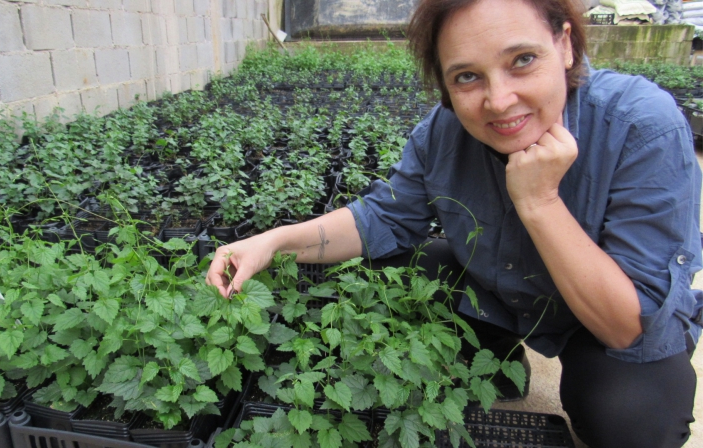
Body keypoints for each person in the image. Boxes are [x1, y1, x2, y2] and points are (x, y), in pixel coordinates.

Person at [207, 0, 702, 446]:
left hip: (598, 321)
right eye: (467, 76)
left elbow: (627, 327)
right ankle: (501, 361)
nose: (500, 100)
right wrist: (270, 243)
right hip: (499, 292)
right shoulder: (443, 132)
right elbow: (380, 218)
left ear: (565, 44)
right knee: (395, 267)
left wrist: (541, 203)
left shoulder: (640, 125)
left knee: (631, 420)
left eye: (522, 60)